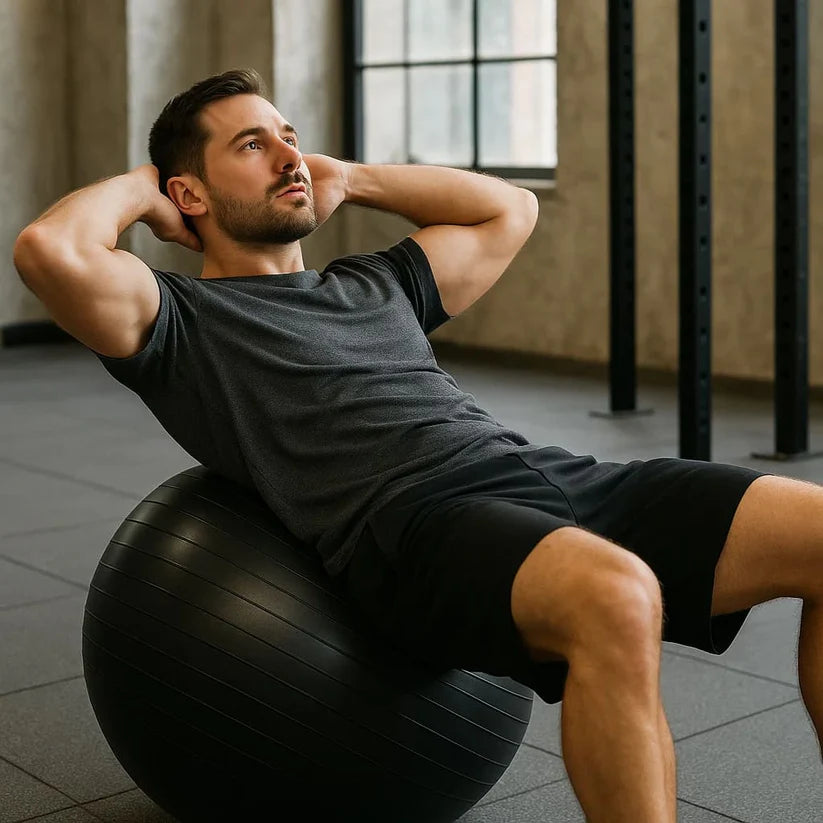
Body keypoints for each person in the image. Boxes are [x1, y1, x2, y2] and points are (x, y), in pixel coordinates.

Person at [12, 68, 823, 823]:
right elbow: (47, 250)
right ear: (190, 188)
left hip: (543, 473)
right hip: (415, 525)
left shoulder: (375, 283)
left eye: (290, 135)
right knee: (618, 594)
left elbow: (509, 207)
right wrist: (147, 193)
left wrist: (348, 176)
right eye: (252, 145)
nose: (289, 155)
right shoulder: (179, 320)